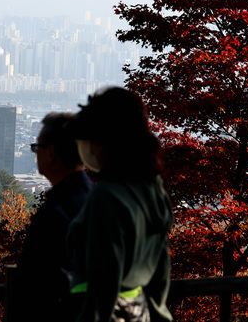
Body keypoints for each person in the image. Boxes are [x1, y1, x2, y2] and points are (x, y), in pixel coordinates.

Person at [66, 87, 173, 322]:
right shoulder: (153, 189)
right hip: (141, 311)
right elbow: (161, 271)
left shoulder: (105, 197)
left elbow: (104, 281)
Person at [12, 112, 92, 321]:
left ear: (51, 153)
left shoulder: (56, 210)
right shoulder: (96, 200)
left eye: (37, 148)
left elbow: (35, 282)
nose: (36, 154)